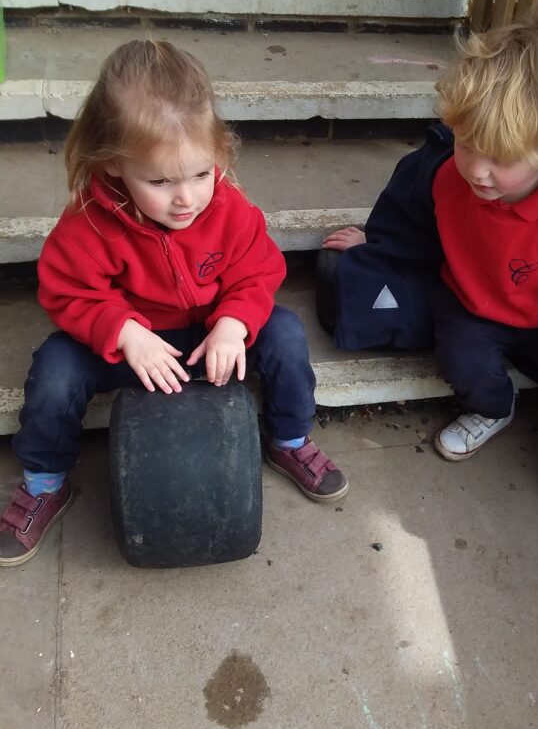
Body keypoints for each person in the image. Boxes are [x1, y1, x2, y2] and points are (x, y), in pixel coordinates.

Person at [322, 18, 538, 551]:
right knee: (460, 356)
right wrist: (372, 247)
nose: (478, 171)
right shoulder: (445, 174)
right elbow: (409, 228)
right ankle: (493, 407)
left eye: (501, 158)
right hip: (473, 306)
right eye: (467, 144)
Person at [0, 39, 347, 567]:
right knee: (54, 368)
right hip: (130, 345)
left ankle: (289, 437)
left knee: (286, 334)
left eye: (201, 173)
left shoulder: (229, 208)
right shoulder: (91, 221)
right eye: (159, 181)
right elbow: (66, 290)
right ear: (114, 164)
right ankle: (45, 482)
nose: (186, 198)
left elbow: (258, 271)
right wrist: (123, 331)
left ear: (218, 155)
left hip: (211, 335)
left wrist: (234, 322)